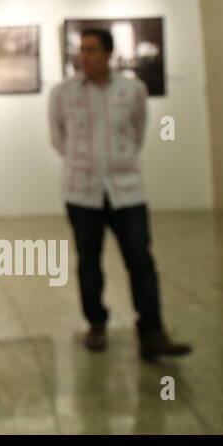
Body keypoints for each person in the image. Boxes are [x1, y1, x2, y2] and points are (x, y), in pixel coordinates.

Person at [48, 28, 191, 361]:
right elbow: (59, 139)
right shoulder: (62, 94)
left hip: (127, 192)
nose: (85, 56)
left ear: (109, 54)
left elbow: (138, 133)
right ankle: (96, 323)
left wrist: (118, 162)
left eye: (93, 50)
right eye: (81, 50)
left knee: (140, 260)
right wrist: (83, 163)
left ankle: (152, 332)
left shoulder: (133, 90)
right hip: (82, 193)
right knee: (89, 263)